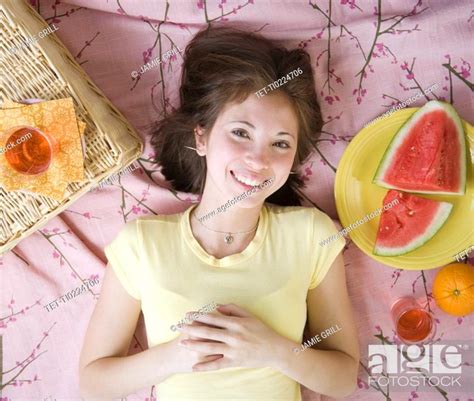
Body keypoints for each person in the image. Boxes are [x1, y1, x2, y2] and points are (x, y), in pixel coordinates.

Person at [79, 26, 359, 401]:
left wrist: (272, 350)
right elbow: (93, 383)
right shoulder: (141, 245)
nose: (259, 160)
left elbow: (342, 380)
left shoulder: (311, 235)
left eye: (280, 143)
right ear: (201, 137)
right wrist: (178, 356)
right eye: (241, 133)